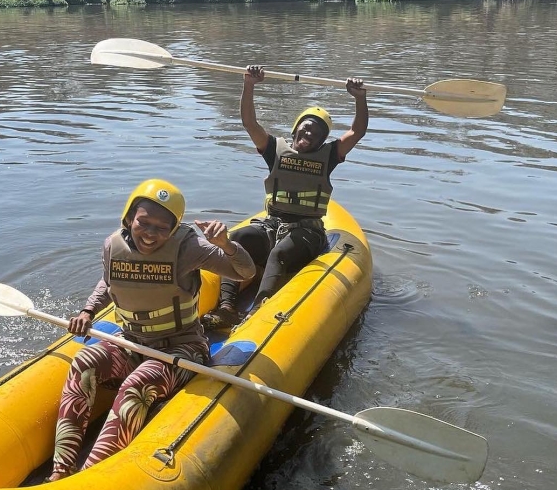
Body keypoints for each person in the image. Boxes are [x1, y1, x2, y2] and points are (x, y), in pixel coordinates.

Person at [45, 178, 255, 482]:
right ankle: (60, 473)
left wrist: (226, 246)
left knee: (138, 383)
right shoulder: (112, 245)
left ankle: (89, 478)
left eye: (161, 227)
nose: (150, 234)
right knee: (84, 363)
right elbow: (107, 282)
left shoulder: (189, 247)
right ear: (130, 218)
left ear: (173, 228)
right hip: (132, 341)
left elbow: (244, 271)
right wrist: (88, 310)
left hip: (183, 349)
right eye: (144, 223)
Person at [201, 65, 368, 330]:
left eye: (316, 133)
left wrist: (359, 98)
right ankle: (227, 308)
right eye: (305, 128)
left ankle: (257, 312)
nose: (309, 134)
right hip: (272, 225)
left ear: (323, 141)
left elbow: (356, 132)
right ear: (294, 131)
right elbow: (249, 123)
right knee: (238, 239)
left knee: (279, 253)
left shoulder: (330, 156)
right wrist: (249, 84)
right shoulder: (274, 150)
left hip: (307, 233)